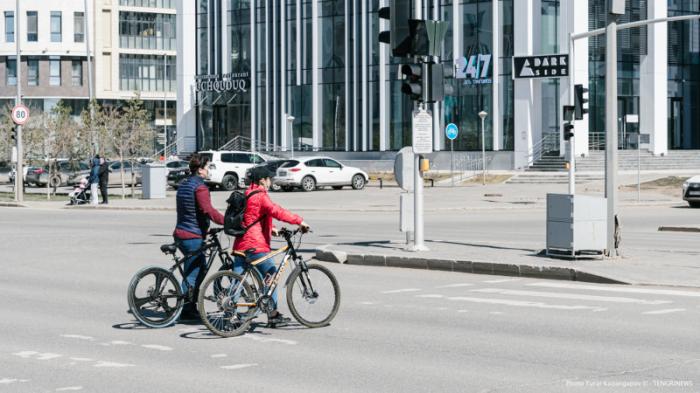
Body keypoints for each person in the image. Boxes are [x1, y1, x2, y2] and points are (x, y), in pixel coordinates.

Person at [233, 166, 309, 327]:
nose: (270, 181)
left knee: (237, 281)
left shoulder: (247, 193)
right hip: (255, 244)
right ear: (262, 180)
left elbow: (252, 217)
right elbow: (276, 211)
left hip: (241, 243)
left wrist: (271, 229)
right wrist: (299, 221)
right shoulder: (260, 196)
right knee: (271, 275)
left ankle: (228, 313)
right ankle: (273, 314)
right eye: (269, 179)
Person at [173, 153, 225, 320]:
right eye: (208, 167)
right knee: (194, 273)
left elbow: (189, 210)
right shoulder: (200, 187)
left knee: (197, 268)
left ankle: (189, 305)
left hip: (180, 233)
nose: (208, 170)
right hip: (192, 236)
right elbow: (207, 210)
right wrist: (226, 221)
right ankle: (186, 309)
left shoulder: (184, 184)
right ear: (201, 170)